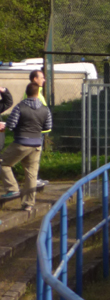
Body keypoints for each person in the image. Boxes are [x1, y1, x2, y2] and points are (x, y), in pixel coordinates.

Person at [0, 83, 52, 211]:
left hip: (21, 143)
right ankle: (28, 204)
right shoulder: (45, 109)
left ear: (26, 93)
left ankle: (12, 188)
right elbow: (47, 126)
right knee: (31, 175)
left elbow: (11, 125)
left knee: (3, 163)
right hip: (36, 144)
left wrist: (8, 125)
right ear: (37, 93)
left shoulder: (20, 107)